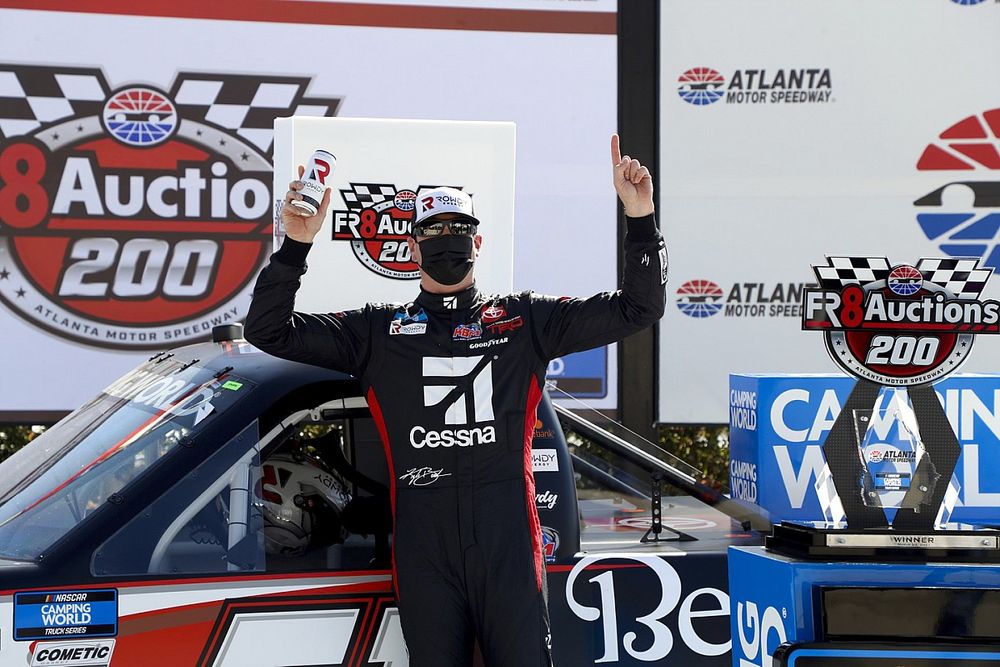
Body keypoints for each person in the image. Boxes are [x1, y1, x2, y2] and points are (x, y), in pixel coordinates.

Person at [244, 134, 666, 667]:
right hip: (427, 550)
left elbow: (639, 308)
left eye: (459, 230)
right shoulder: (377, 332)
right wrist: (295, 245)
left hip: (507, 545)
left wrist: (639, 217)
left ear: (478, 243)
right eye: (433, 231)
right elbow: (267, 330)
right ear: (413, 248)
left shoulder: (525, 321)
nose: (447, 240)